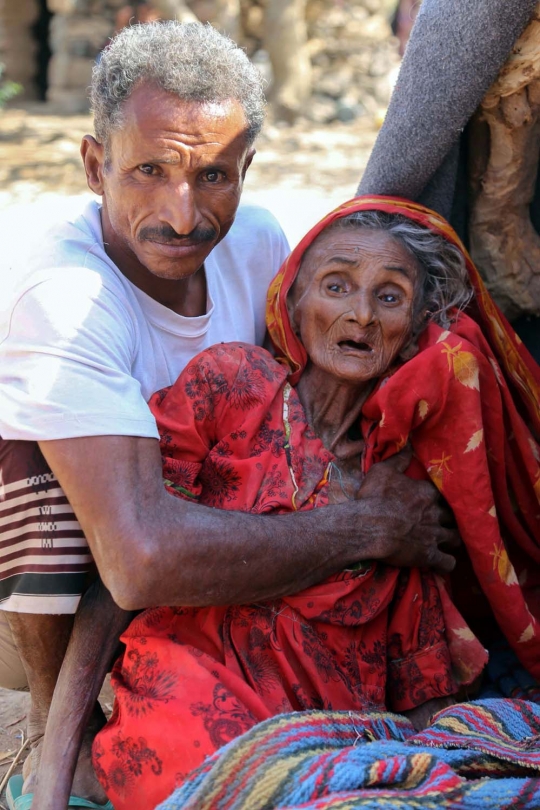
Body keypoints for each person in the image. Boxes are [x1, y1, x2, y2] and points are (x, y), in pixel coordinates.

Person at [0, 22, 454, 808]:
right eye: (149, 171)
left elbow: (278, 429)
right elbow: (135, 562)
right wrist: (369, 527)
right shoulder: (66, 296)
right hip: (73, 584)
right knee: (44, 460)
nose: (184, 215)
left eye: (214, 175)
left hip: (201, 566)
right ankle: (49, 730)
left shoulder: (258, 242)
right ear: (94, 165)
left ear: (247, 167)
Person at [91, 196, 540, 809]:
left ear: (413, 332)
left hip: (328, 740)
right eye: (336, 285)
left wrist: (456, 758)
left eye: (390, 296)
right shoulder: (233, 384)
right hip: (189, 707)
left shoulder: (403, 484)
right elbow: (128, 559)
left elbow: (419, 684)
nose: (360, 314)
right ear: (292, 304)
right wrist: (55, 750)